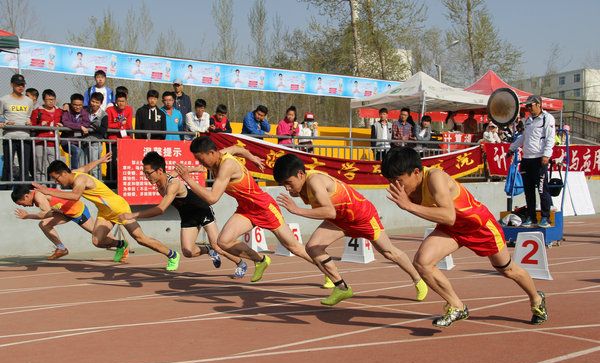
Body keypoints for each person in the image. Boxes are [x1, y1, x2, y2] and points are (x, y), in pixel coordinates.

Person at [382, 146, 548, 327]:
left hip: (479, 226)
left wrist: (409, 206)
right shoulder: (408, 190)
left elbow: (449, 215)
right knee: (422, 263)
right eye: (390, 181)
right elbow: (449, 221)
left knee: (507, 270)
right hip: (452, 229)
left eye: (398, 180)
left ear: (416, 172)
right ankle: (456, 306)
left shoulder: (435, 178)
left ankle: (536, 298)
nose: (395, 186)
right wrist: (409, 203)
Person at [173, 136, 332, 286]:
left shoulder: (226, 166)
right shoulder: (219, 156)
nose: (200, 162)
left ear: (211, 153)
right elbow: (237, 148)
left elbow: (213, 198)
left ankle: (328, 273)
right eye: (197, 159)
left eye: (201, 159)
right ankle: (261, 260)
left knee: (294, 247)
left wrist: (187, 179)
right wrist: (252, 158)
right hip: (246, 209)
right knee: (223, 242)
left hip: (263, 207)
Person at [273, 154, 428, 306]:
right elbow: (332, 213)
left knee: (388, 252)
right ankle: (341, 288)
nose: (287, 188)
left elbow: (329, 211)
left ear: (300, 174)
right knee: (313, 247)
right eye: (283, 185)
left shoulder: (314, 181)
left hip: (362, 216)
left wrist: (297, 210)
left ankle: (418, 279)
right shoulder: (300, 187)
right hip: (340, 220)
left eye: (289, 183)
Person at [118, 151, 251, 278]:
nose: (146, 177)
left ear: (159, 171)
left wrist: (132, 215)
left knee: (219, 245)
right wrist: (196, 169)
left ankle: (241, 263)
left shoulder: (173, 184)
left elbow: (160, 209)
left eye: (148, 173)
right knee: (188, 251)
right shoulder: (162, 180)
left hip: (201, 209)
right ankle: (208, 249)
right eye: (144, 173)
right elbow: (180, 171)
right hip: (187, 216)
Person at [34, 158, 181, 270]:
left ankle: (172, 255)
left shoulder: (80, 180)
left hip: (118, 208)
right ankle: (121, 244)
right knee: (97, 241)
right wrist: (100, 160)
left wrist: (48, 191)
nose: (57, 182)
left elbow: (75, 196)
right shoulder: (75, 173)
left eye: (56, 178)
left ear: (64, 173)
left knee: (140, 239)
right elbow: (86, 167)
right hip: (105, 211)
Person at [11, 155, 114, 260]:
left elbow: (46, 213)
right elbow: (84, 169)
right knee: (44, 225)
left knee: (98, 237)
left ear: (26, 196)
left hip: (77, 211)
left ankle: (121, 245)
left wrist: (28, 216)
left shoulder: (38, 195)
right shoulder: (66, 175)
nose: (23, 205)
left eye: (21, 203)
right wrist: (100, 161)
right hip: (63, 212)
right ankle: (61, 248)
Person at [507, 95, 556, 228]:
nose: (528, 108)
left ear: (538, 104)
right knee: (528, 190)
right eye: (527, 106)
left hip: (539, 159)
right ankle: (531, 217)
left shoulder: (547, 118)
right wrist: (512, 148)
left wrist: (546, 155)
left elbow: (550, 138)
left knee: (541, 189)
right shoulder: (528, 120)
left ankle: (545, 217)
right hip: (526, 159)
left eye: (530, 105)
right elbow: (524, 137)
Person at [0, 73, 34, 183]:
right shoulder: (4, 99)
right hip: (9, 137)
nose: (21, 87)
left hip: (25, 137)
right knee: (8, 164)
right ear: (12, 85)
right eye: (18, 84)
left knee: (24, 164)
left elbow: (29, 116)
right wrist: (3, 122)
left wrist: (29, 122)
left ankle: (23, 188)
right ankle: (5, 187)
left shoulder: (29, 101)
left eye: (23, 85)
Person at [30, 89, 63, 181]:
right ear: (44, 100)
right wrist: (41, 125)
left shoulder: (59, 111)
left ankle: (54, 187)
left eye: (53, 99)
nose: (51, 101)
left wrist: (62, 125)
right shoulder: (37, 111)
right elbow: (31, 127)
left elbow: (66, 122)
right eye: (49, 99)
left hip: (54, 144)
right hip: (40, 143)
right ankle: (41, 187)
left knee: (55, 168)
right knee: (40, 167)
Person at [102, 90, 133, 181]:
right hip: (112, 140)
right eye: (119, 101)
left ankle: (123, 181)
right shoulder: (109, 110)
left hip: (125, 140)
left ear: (126, 101)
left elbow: (128, 125)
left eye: (123, 101)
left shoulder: (129, 109)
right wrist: (119, 125)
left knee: (124, 162)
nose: (121, 103)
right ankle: (111, 183)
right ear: (115, 101)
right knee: (111, 162)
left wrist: (118, 125)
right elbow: (108, 125)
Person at [61, 93, 90, 170]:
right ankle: (73, 171)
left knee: (82, 159)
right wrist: (80, 126)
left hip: (79, 142)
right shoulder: (66, 111)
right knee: (77, 151)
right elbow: (66, 122)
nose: (77, 107)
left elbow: (87, 123)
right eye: (75, 105)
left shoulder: (84, 112)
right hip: (67, 141)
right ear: (71, 103)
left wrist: (74, 126)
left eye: (80, 105)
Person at [84, 92, 107, 179]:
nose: (94, 104)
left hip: (96, 143)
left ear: (101, 103)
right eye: (93, 101)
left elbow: (103, 130)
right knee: (85, 166)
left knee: (95, 167)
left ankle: (97, 186)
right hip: (84, 142)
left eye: (97, 102)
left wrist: (92, 127)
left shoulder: (104, 115)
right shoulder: (85, 111)